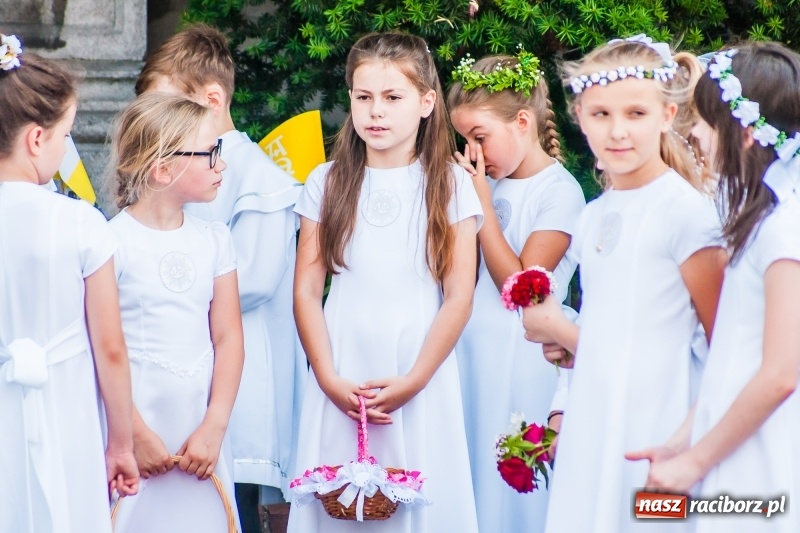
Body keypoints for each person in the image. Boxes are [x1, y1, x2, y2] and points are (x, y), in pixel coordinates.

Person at [521, 35, 725, 532]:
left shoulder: (685, 213)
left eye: (636, 113)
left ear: (667, 115)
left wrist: (564, 331)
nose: (617, 131)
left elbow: (725, 344)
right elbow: (612, 323)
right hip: (594, 415)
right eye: (601, 114)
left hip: (658, 422)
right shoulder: (593, 216)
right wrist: (568, 351)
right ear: (579, 117)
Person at [288, 32, 482, 532]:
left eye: (393, 97)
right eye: (363, 97)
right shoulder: (327, 182)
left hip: (418, 369)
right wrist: (327, 378)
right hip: (342, 370)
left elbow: (459, 296)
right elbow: (307, 290)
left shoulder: (451, 184)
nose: (376, 111)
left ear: (426, 102)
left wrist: (415, 379)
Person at [135, 24, 304, 529]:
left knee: (235, 500)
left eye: (170, 106)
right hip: (180, 368)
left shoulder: (261, 178)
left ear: (211, 100)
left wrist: (165, 289)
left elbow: (255, 278)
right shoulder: (169, 165)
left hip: (244, 371)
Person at [629, 42, 800, 532]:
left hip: (763, 460)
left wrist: (694, 462)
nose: (695, 133)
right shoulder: (754, 224)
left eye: (704, 121)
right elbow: (731, 357)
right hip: (728, 445)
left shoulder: (784, 232)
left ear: (744, 134)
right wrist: (682, 441)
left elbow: (780, 374)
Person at [0, 34, 138, 532]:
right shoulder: (80, 222)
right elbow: (111, 349)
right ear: (37, 139)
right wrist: (120, 444)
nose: (66, 148)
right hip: (65, 412)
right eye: (66, 136)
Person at [446, 50, 585, 532]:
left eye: (479, 137)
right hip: (472, 354)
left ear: (522, 122)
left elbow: (522, 287)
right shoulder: (489, 185)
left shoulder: (559, 192)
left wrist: (482, 207)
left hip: (526, 359)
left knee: (513, 491)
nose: (472, 152)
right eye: (464, 140)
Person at [107, 92, 244, 533]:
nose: (222, 164)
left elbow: (228, 338)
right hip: (136, 424)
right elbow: (102, 347)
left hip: (200, 428)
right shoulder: (111, 244)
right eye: (211, 153)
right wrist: (133, 434)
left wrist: (214, 427)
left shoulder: (214, 240)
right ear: (163, 169)